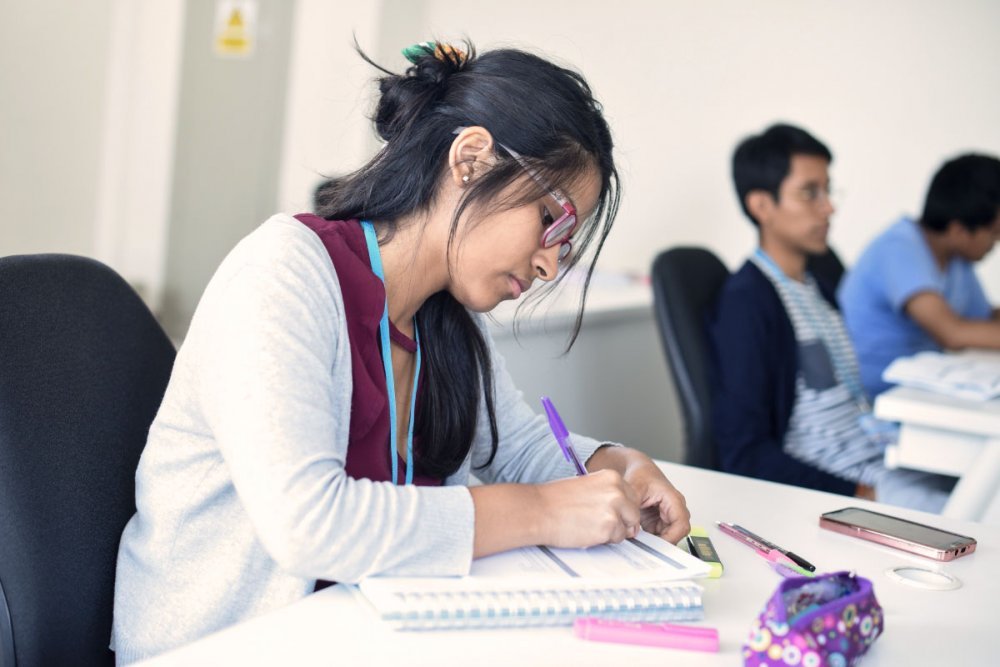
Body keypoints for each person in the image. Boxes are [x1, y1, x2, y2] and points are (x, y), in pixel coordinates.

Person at [111, 41, 690, 663]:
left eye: (566, 245)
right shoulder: (282, 272)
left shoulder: (446, 314)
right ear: (470, 158)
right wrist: (540, 511)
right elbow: (309, 524)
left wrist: (612, 463)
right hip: (226, 645)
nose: (550, 263)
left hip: (367, 636)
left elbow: (515, 448)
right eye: (552, 221)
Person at [708, 123, 953, 512]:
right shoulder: (749, 302)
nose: (829, 207)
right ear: (761, 206)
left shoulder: (820, 287)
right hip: (841, 488)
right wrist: (857, 495)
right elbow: (745, 451)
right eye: (810, 193)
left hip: (881, 465)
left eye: (827, 190)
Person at [839, 154, 1000, 398]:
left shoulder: (957, 260)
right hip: (877, 397)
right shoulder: (899, 249)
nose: (996, 242)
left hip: (920, 389)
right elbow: (953, 333)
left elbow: (985, 318)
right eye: (995, 232)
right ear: (958, 230)